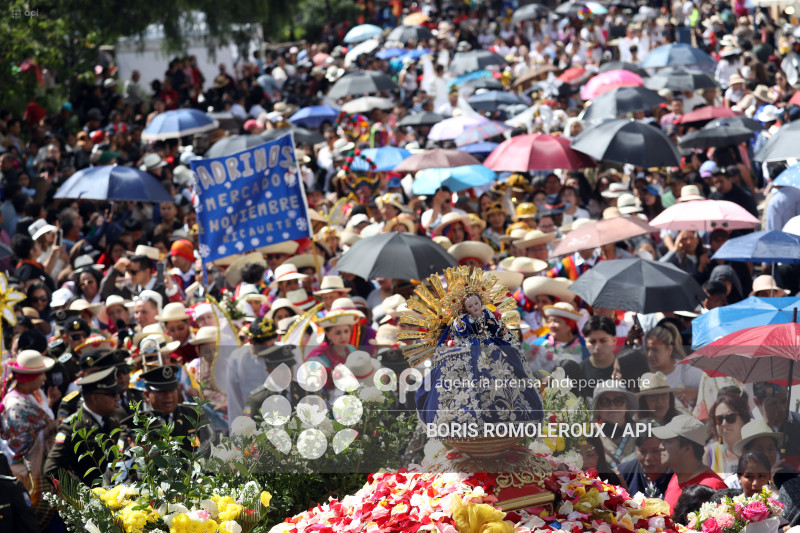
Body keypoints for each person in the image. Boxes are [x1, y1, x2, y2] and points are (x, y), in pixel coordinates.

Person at [415, 289, 543, 431]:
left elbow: (493, 328)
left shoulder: (487, 313)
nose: (475, 307)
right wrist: (459, 325)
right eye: (470, 306)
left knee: (507, 363)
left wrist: (500, 331)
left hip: (491, 346)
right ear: (466, 309)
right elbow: (462, 332)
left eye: (476, 303)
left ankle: (511, 407)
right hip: (472, 349)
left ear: (481, 302)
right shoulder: (465, 319)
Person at [43, 366, 122, 485]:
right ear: (95, 398)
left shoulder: (112, 420)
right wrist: (83, 494)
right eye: (113, 394)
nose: (118, 398)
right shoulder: (73, 427)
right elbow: (51, 469)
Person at [654, 415, 728, 512]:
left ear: (687, 449)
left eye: (668, 441)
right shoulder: (676, 477)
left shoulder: (713, 486)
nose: (660, 446)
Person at [225, 317, 277, 423]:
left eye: (271, 346)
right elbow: (234, 400)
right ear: (250, 341)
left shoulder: (286, 353)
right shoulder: (237, 358)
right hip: (251, 420)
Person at [244, 344, 302, 422]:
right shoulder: (256, 399)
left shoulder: (305, 391)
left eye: (290, 366)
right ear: (269, 370)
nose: (287, 372)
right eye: (281, 368)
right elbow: (249, 430)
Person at [529, 302, 588, 374]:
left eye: (556, 321)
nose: (551, 325)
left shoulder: (584, 346)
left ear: (569, 325)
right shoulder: (539, 344)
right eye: (550, 321)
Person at [618, 423, 672, 498]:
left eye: (656, 451)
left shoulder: (680, 474)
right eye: (643, 451)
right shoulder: (622, 473)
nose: (649, 458)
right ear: (635, 449)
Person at [592, 380, 637, 470]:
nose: (612, 407)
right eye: (605, 402)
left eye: (618, 401)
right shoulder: (589, 434)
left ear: (627, 406)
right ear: (597, 409)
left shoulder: (643, 430)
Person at [705, 393, 751, 479]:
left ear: (744, 419)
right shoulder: (708, 453)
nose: (724, 423)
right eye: (719, 419)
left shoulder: (754, 450)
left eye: (730, 417)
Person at [580, 316, 617, 383]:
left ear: (614, 340)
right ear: (586, 342)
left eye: (603, 341)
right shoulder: (579, 372)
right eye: (592, 342)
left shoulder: (626, 367)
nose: (597, 347)